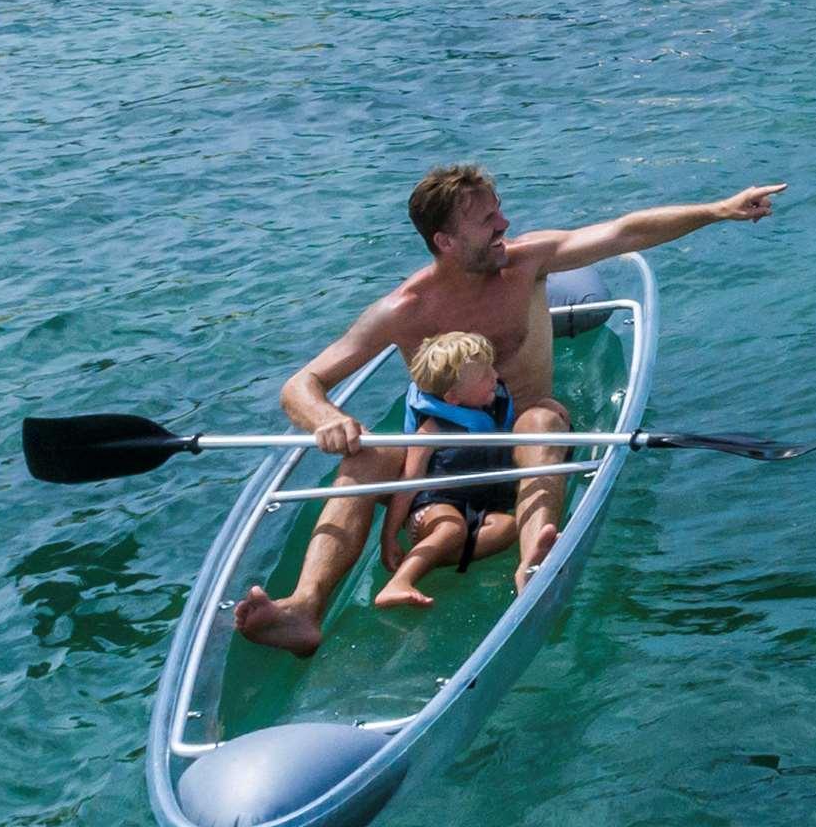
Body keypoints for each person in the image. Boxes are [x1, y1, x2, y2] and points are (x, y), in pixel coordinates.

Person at [230, 165, 785, 655]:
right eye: (487, 220)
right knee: (364, 457)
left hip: (526, 447)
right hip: (441, 467)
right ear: (445, 240)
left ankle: (533, 562)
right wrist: (325, 418)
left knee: (542, 415)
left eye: (499, 212)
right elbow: (302, 384)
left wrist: (719, 210)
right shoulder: (404, 309)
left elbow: (624, 231)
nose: (504, 225)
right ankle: (304, 609)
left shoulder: (527, 265)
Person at [371, 331, 522, 608]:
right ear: (452, 398)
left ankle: (430, 560)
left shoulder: (491, 407)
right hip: (431, 509)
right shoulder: (432, 429)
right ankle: (398, 582)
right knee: (452, 528)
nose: (495, 376)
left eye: (491, 367)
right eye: (484, 376)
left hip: (475, 510)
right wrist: (388, 537)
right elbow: (409, 483)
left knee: (508, 527)